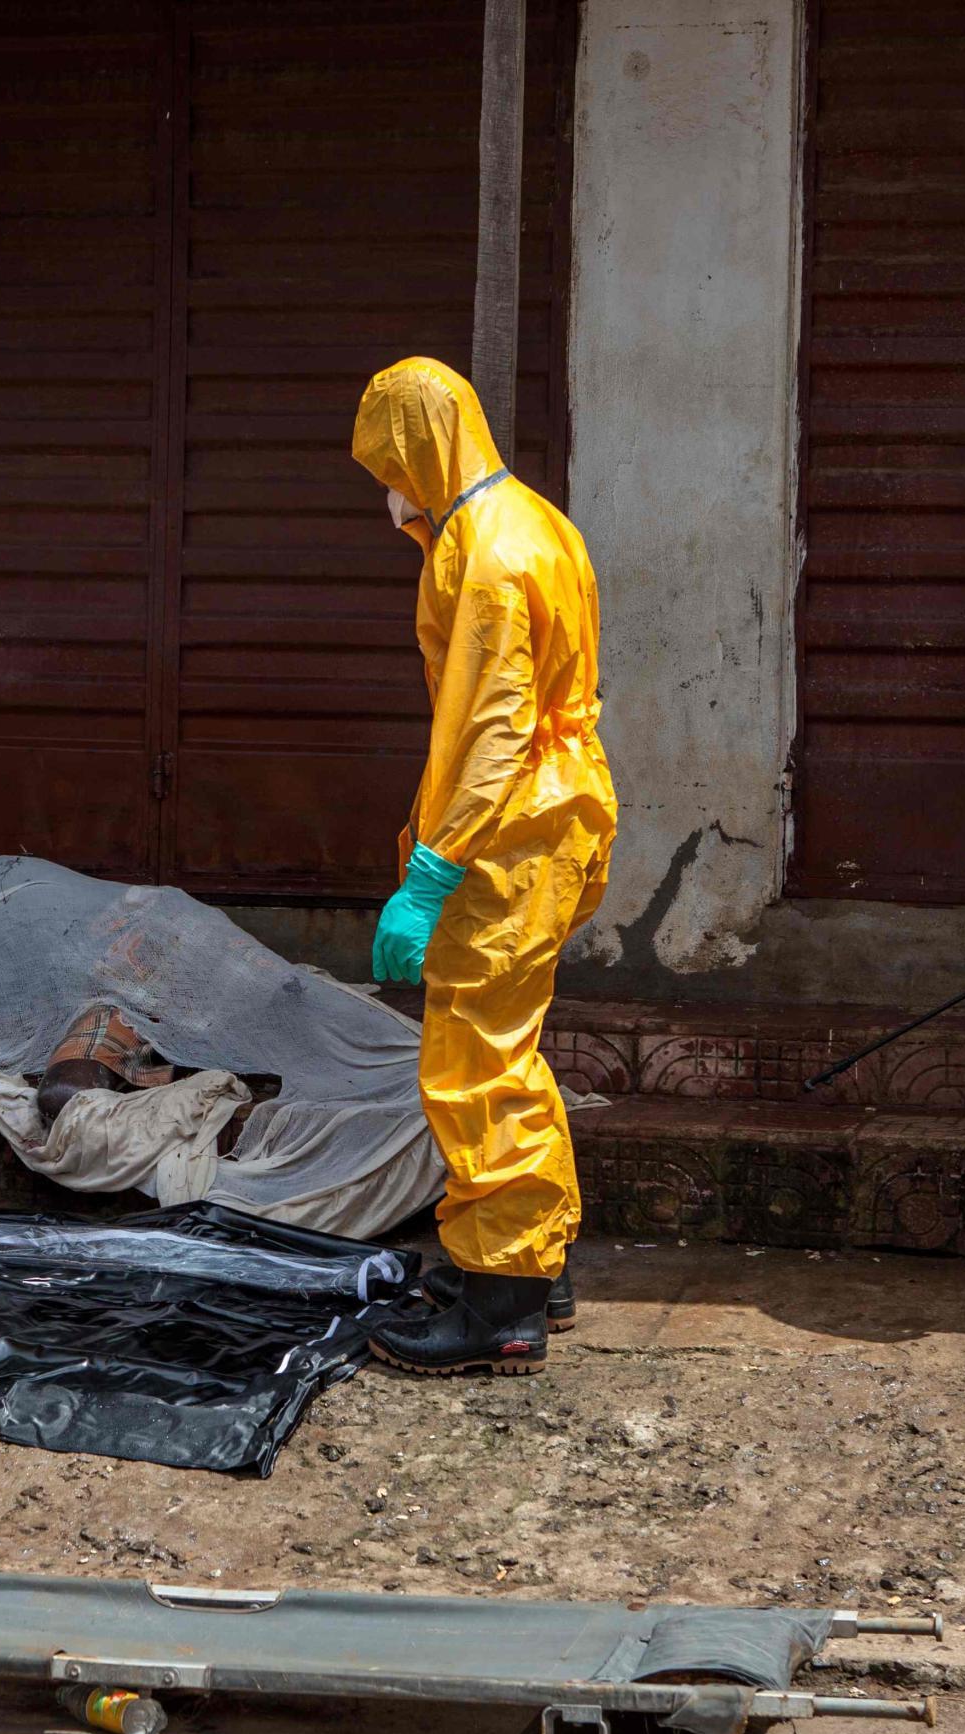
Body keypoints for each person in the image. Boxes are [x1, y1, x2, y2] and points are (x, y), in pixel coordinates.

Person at [346, 358, 617, 1376]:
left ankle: (504, 1306)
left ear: (420, 447)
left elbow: (494, 728)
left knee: (478, 1061)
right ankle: (514, 1255)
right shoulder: (530, 521)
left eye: (389, 463)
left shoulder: (489, 552)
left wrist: (432, 869)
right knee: (503, 1043)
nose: (388, 488)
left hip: (508, 834)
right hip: (546, 819)